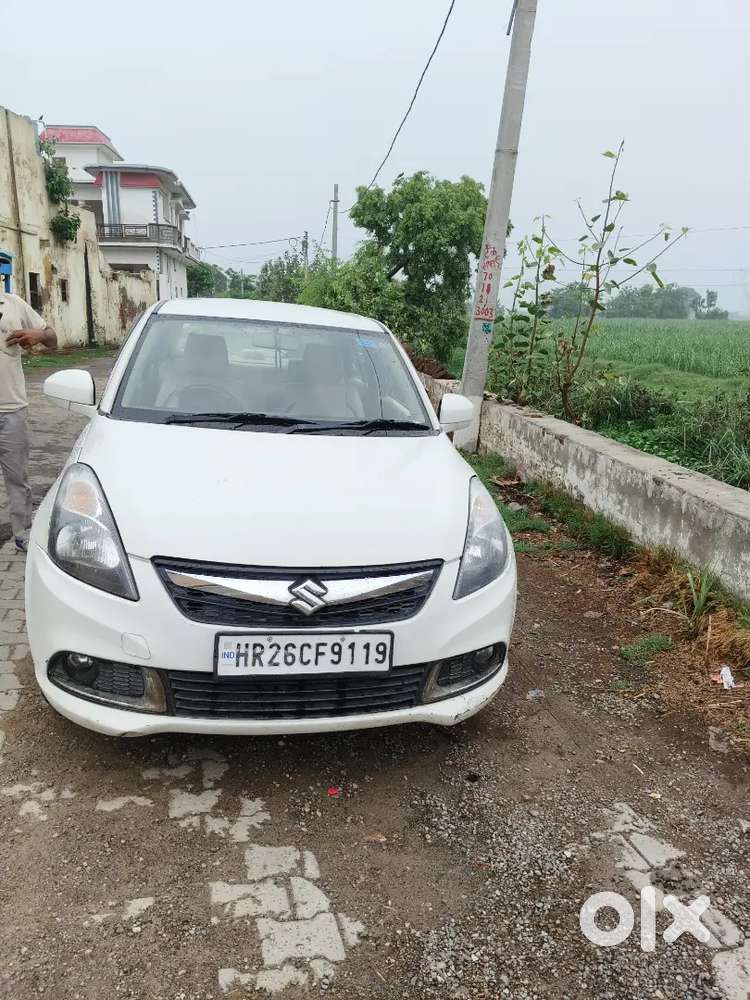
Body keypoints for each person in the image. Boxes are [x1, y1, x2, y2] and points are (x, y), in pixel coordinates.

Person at [0, 289, 57, 552]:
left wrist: (38, 334)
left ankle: (23, 533)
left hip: (11, 409)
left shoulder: (12, 304)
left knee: (17, 477)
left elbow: (52, 339)